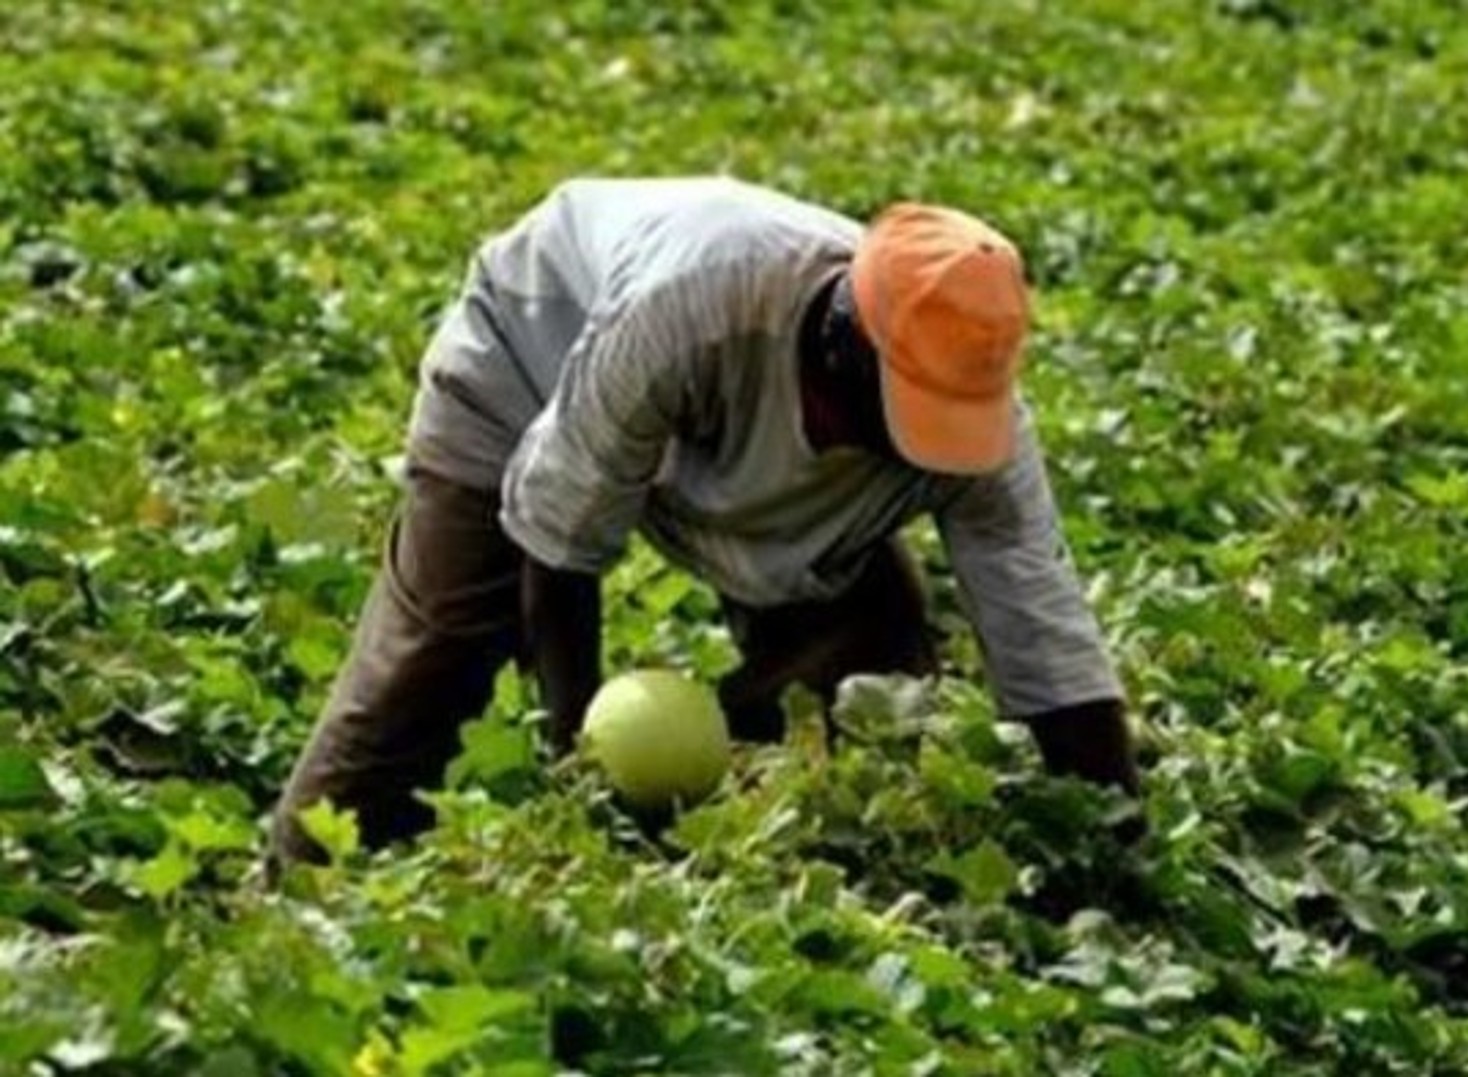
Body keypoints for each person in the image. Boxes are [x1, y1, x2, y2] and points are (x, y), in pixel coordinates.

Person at [269, 177, 1141, 866]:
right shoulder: (695, 300)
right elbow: (559, 531)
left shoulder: (978, 428)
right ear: (844, 345)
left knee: (874, 654)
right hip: (532, 353)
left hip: (719, 441)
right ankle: (297, 890)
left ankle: (715, 805)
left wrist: (1119, 830)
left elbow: (1046, 631)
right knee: (447, 647)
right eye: (912, 414)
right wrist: (580, 746)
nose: (928, 445)